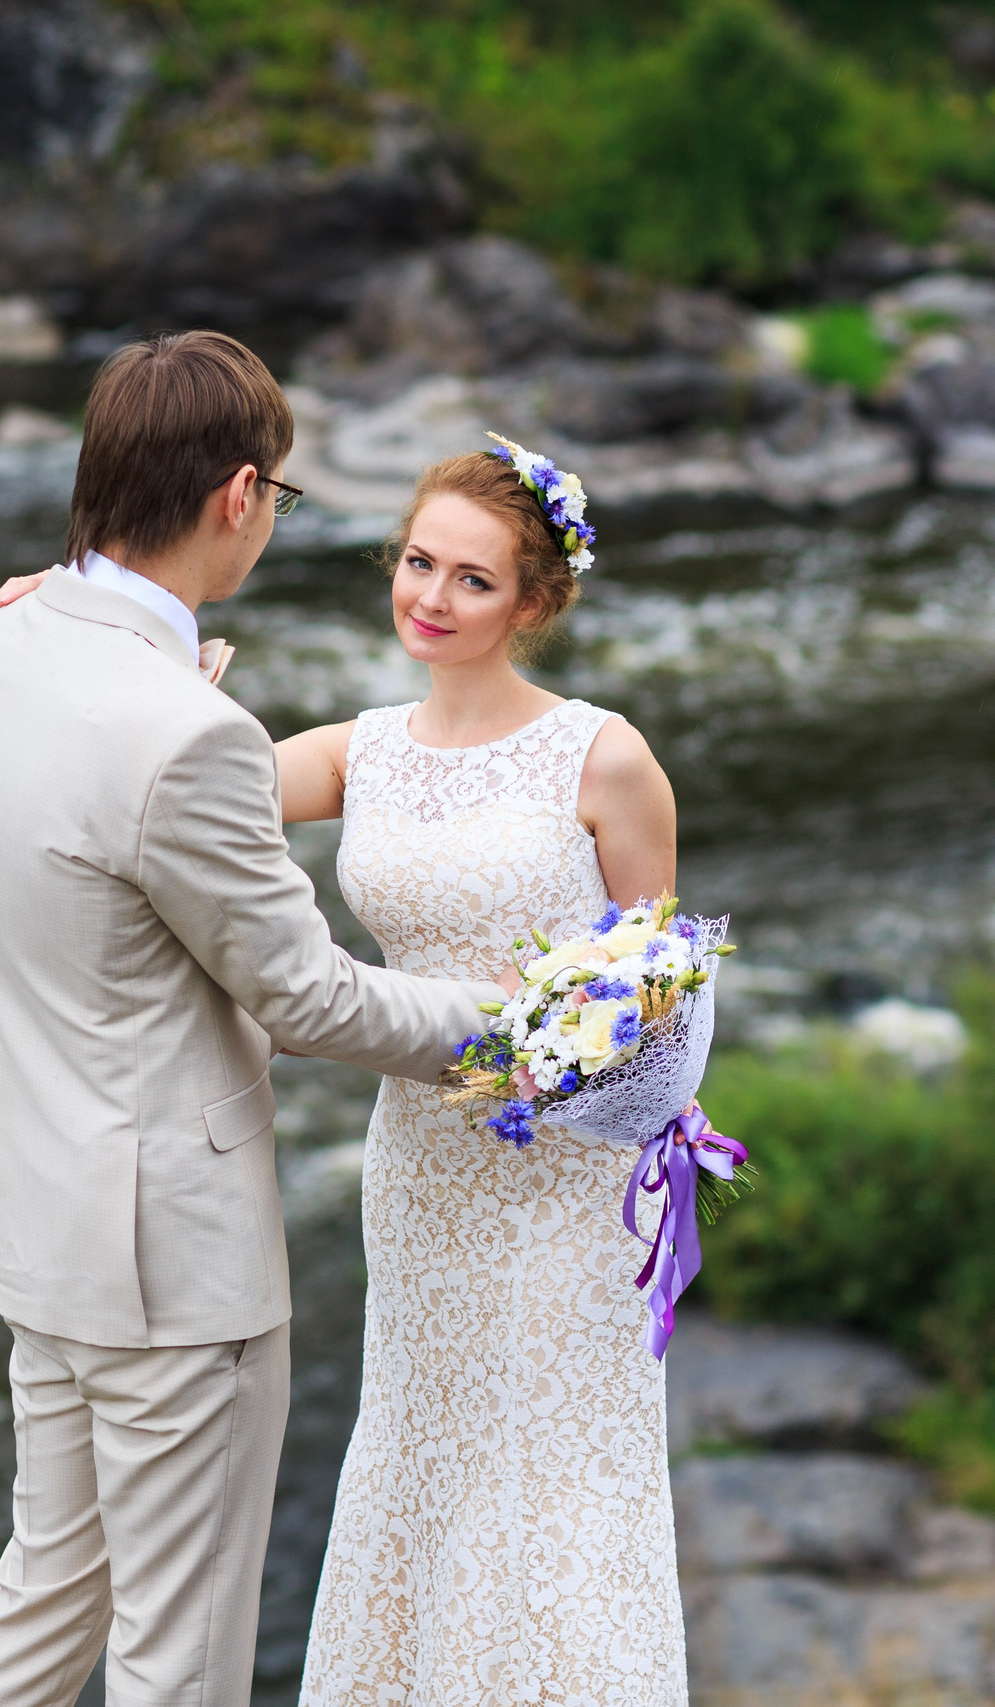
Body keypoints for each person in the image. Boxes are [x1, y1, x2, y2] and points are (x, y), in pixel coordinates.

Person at [0, 330, 508, 1707]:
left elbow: (86, 827)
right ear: (239, 494)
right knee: (176, 1660)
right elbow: (302, 994)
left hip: (33, 1222)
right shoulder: (184, 735)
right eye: (281, 498)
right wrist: (518, 1017)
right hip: (168, 1271)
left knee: (45, 1598)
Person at [276, 450, 688, 1705]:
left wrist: (571, 1065)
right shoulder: (358, 753)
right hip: (419, 1176)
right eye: (417, 562)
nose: (433, 598)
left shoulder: (603, 759)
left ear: (530, 603)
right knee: (426, 1447)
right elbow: (179, 789)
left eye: (472, 577)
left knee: (555, 1469)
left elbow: (661, 996)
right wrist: (82, 635)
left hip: (567, 1192)